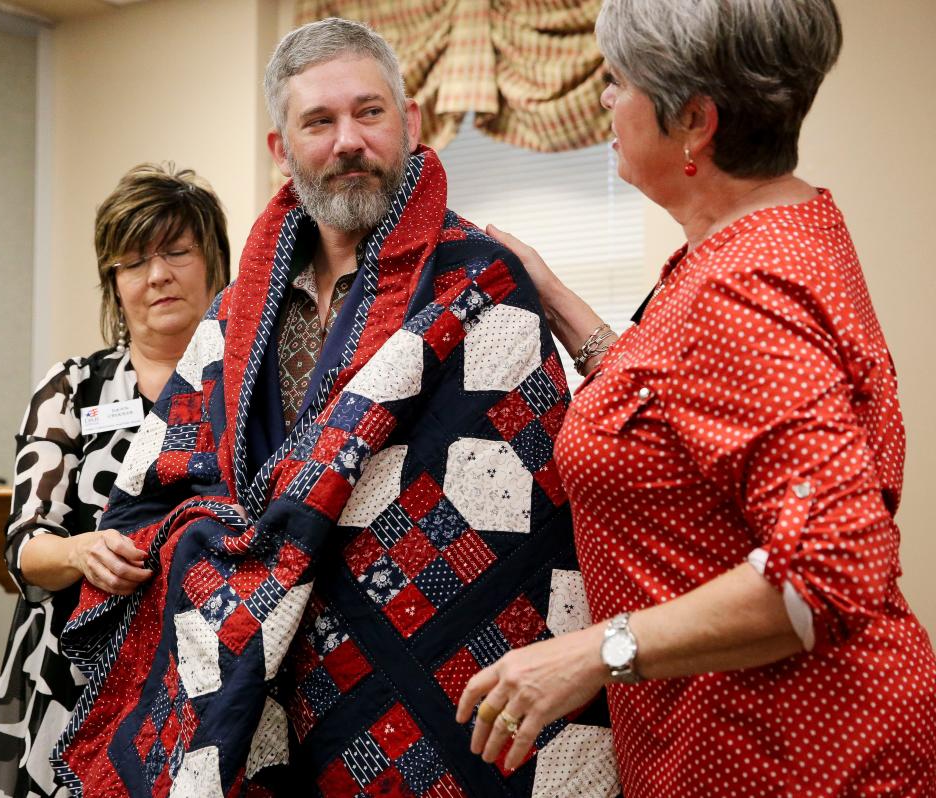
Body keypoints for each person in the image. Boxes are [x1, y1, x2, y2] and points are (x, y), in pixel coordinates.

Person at [52, 18, 614, 798]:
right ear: (282, 150)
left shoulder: (479, 282)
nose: (349, 139)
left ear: (410, 123)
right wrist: (186, 540)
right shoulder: (237, 309)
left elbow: (533, 498)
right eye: (319, 121)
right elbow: (175, 472)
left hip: (435, 668)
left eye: (369, 112)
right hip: (273, 673)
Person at [457, 0, 936, 795]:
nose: (604, 101)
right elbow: (680, 404)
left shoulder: (744, 286)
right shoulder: (775, 226)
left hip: (793, 757)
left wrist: (591, 653)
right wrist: (550, 292)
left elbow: (831, 567)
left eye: (615, 82)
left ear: (694, 121)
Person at [0, 164, 231, 798]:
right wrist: (80, 550)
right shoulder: (71, 389)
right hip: (70, 679)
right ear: (113, 283)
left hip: (203, 681)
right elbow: (24, 548)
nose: (159, 275)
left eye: (177, 251)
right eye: (135, 261)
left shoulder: (248, 391)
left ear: (215, 264)